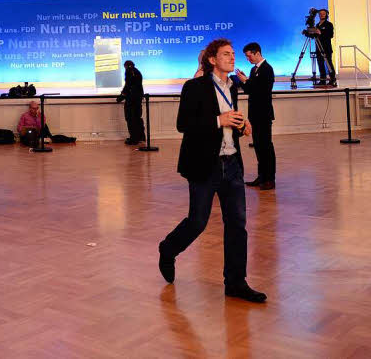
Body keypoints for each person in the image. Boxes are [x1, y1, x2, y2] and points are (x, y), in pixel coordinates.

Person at [158, 39, 266, 303]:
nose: (232, 57)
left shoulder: (233, 87)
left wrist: (240, 125)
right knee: (198, 222)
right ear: (211, 60)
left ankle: (236, 283)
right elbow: (184, 124)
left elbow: (228, 124)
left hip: (231, 165)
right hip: (204, 165)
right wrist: (220, 120)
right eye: (226, 54)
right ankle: (168, 248)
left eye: (232, 53)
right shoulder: (194, 87)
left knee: (237, 226)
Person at [236, 42, 276, 190]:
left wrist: (246, 81)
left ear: (257, 53)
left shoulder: (267, 69)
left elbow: (262, 90)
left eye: (249, 56)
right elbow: (249, 90)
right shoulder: (254, 70)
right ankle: (262, 176)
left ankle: (270, 178)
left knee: (266, 146)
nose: (248, 59)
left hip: (264, 114)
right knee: (258, 146)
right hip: (255, 114)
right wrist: (245, 81)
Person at [116, 60, 145, 146]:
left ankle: (134, 139)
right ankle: (140, 137)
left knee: (130, 119)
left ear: (126, 66)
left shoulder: (129, 72)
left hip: (131, 100)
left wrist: (121, 96)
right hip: (138, 99)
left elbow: (128, 85)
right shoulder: (137, 72)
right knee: (137, 118)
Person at [313, 9, 336, 86]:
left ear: (326, 15)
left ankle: (332, 79)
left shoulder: (329, 24)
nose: (322, 15)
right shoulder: (317, 25)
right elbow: (315, 36)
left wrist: (321, 32)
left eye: (323, 14)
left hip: (326, 48)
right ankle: (322, 80)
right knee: (320, 64)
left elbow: (331, 35)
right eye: (320, 14)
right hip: (318, 48)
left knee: (328, 64)